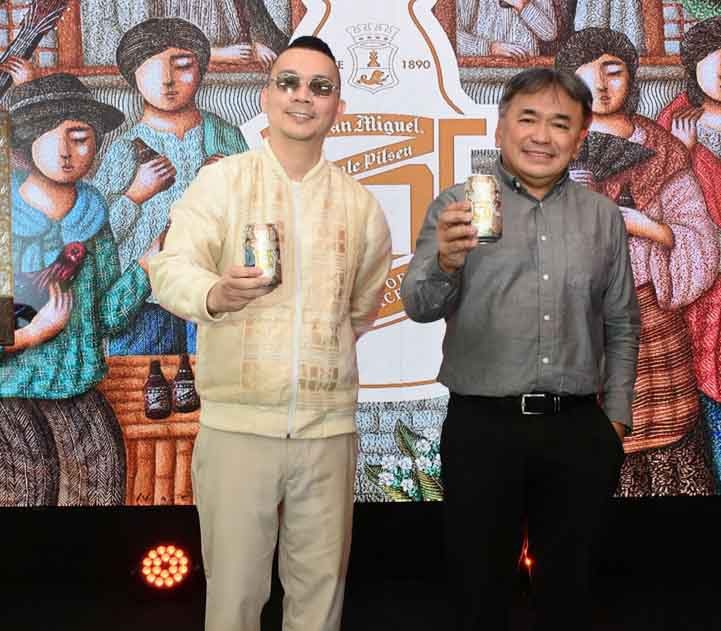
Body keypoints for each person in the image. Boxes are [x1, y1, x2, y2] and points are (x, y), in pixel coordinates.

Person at [149, 36, 391, 631]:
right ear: (266, 96)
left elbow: (360, 309)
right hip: (237, 428)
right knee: (233, 599)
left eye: (320, 87)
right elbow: (169, 267)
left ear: (338, 106)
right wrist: (215, 294)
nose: (303, 96)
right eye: (289, 82)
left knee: (319, 599)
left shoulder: (360, 206)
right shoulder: (223, 183)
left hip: (327, 431)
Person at [400, 68, 640, 630]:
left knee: (571, 597)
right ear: (500, 127)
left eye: (560, 123)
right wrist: (446, 263)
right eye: (527, 118)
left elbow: (622, 322)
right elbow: (418, 304)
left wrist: (615, 422)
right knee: (477, 595)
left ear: (580, 136)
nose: (541, 136)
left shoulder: (602, 217)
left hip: (577, 430)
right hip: (483, 428)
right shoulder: (460, 206)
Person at [556, 27, 718, 496]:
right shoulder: (552, 145)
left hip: (652, 320)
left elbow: (699, 237)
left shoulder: (663, 149)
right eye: (586, 75)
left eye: (614, 71)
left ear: (632, 77)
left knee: (667, 441)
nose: (601, 85)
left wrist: (644, 226)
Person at [0, 73, 152, 506]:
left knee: (102, 490)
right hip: (11, 393)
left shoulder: (93, 217)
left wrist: (147, 266)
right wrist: (34, 332)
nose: (66, 151)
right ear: (28, 141)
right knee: (24, 498)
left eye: (81, 137)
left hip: (78, 386)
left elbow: (105, 316)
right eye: (51, 137)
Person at [93, 17, 249, 355]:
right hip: (143, 301)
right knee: (138, 381)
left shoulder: (226, 136)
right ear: (133, 76)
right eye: (151, 68)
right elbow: (96, 235)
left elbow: (259, 215)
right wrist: (137, 192)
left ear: (201, 70)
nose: (167, 80)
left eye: (182, 66)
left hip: (209, 294)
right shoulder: (125, 148)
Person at [657, 16, 721, 491]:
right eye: (713, 62)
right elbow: (656, 195)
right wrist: (681, 152)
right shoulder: (677, 120)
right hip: (701, 276)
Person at [456, 0, 558, 60]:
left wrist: (523, 6)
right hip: (482, 74)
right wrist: (491, 48)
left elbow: (549, 33)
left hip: (527, 73)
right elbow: (455, 39)